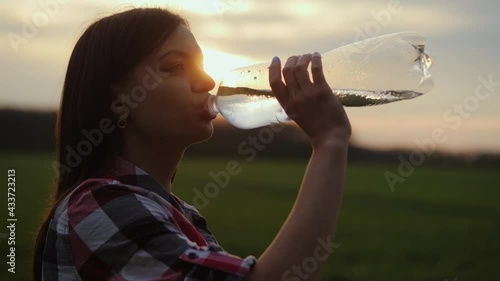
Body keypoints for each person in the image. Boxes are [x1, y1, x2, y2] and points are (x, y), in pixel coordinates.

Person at [33, 7, 351, 281]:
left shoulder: (170, 210)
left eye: (200, 65)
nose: (207, 81)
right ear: (118, 100)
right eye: (173, 67)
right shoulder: (99, 206)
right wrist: (329, 142)